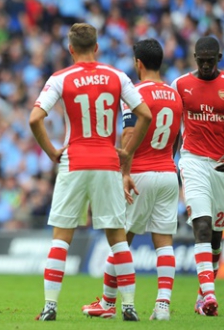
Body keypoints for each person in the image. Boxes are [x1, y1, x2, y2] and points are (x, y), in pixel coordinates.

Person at [29, 23, 152, 322]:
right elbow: (145, 114)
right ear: (97, 47)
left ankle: (50, 307)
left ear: (70, 49)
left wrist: (52, 152)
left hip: (75, 160)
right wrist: (128, 152)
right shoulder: (117, 76)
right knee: (118, 238)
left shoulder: (61, 78)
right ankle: (129, 307)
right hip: (108, 162)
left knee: (61, 238)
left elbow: (35, 119)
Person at [82, 39, 183, 321]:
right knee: (164, 241)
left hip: (139, 173)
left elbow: (128, 135)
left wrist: (124, 172)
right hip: (167, 172)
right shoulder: (175, 96)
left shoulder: (135, 94)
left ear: (138, 63)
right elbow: (175, 136)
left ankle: (107, 302)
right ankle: (162, 306)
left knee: (120, 239)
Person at [171, 36, 224, 316]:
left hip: (222, 165)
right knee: (201, 226)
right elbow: (172, 129)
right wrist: (170, 160)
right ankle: (211, 295)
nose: (205, 65)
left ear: (219, 58)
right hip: (192, 161)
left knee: (216, 238)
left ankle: (200, 296)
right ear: (194, 58)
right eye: (200, 61)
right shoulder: (179, 85)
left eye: (209, 60)